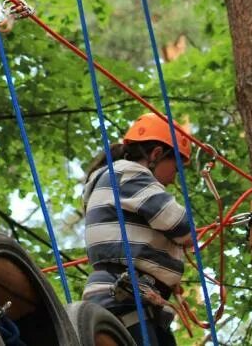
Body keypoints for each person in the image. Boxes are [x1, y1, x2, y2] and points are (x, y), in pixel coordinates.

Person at [81, 113, 194, 346]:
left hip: (127, 298)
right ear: (156, 155)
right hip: (125, 298)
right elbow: (181, 226)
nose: (174, 180)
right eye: (176, 169)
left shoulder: (110, 177)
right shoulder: (131, 173)